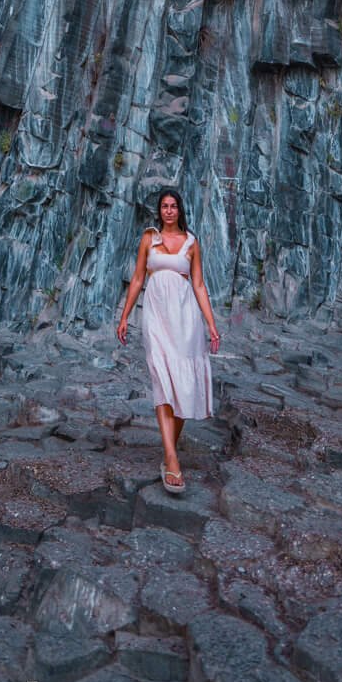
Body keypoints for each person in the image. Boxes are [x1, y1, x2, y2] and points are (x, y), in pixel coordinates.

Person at [116, 187, 220, 492]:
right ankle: (172, 459)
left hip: (186, 320)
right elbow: (137, 279)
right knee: (162, 380)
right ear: (159, 211)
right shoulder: (149, 239)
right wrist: (124, 316)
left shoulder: (191, 243)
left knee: (185, 386)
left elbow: (199, 286)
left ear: (180, 210)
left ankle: (168, 453)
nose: (169, 211)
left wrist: (212, 326)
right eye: (164, 206)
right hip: (156, 318)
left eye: (174, 206)